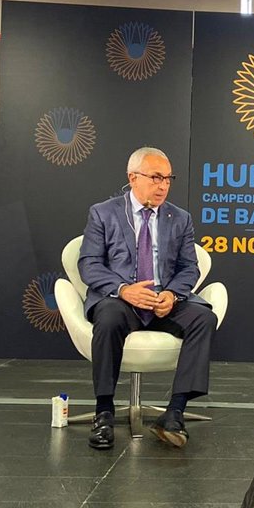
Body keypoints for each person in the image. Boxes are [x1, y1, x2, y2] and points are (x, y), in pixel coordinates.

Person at [78, 147, 215, 449]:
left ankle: (175, 412)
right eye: (155, 177)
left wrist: (172, 294)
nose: (163, 185)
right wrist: (124, 289)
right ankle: (104, 411)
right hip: (122, 300)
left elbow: (189, 267)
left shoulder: (180, 219)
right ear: (133, 178)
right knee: (108, 316)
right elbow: (89, 264)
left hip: (163, 301)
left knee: (204, 318)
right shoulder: (103, 213)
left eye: (168, 179)